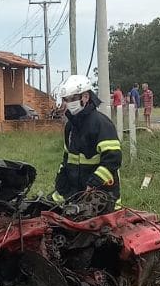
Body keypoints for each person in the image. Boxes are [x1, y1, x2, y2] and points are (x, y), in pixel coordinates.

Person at [51, 74, 122, 209]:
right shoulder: (70, 127)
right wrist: (61, 184)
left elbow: (113, 160)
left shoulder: (102, 124)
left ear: (86, 97)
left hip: (102, 199)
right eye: (66, 99)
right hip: (76, 197)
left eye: (73, 99)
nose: (69, 103)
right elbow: (67, 159)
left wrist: (93, 184)